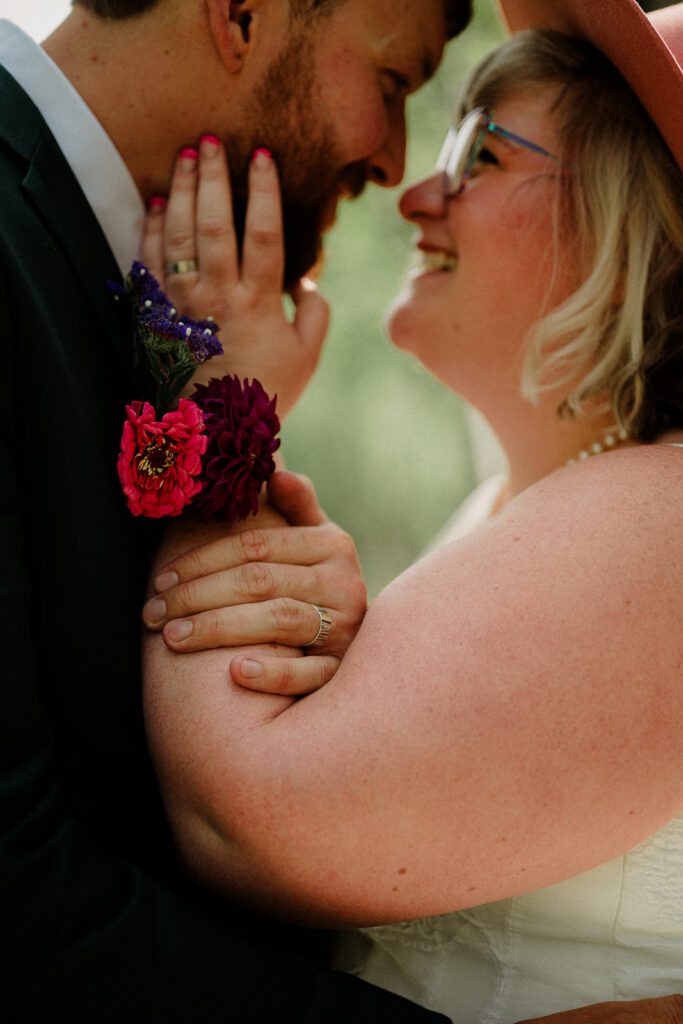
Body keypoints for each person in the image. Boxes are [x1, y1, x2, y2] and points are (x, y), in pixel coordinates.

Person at [140, 0, 683, 1022]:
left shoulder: (667, 519)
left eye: (481, 152)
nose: (416, 194)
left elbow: (243, 818)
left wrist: (221, 406)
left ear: (631, 223)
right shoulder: (506, 503)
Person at [0, 0, 476, 1019]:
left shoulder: (163, 302)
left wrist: (282, 611)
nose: (393, 162)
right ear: (242, 13)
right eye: (392, 83)